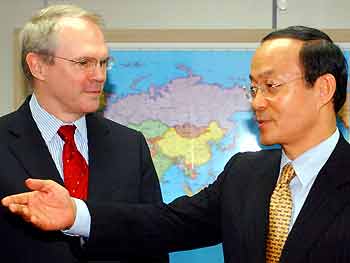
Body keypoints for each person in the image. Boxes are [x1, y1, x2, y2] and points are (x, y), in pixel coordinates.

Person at [3, 25, 350, 263]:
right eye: (253, 89)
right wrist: (76, 214)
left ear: (323, 89)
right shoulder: (245, 175)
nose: (257, 102)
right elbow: (166, 224)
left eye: (271, 86)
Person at [0, 4, 168, 263]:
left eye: (103, 63)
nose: (99, 76)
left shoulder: (130, 147)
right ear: (38, 66)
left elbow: (152, 240)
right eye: (84, 63)